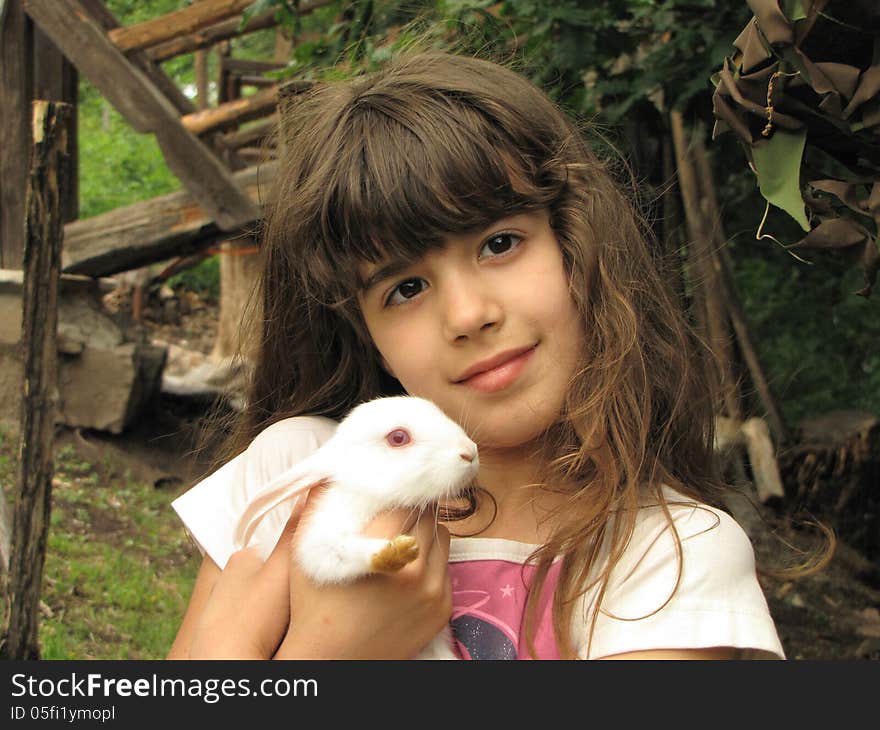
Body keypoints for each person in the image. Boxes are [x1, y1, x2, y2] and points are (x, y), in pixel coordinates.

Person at [166, 49, 820, 660]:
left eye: (501, 243)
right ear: (365, 332)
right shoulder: (300, 477)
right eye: (407, 288)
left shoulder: (671, 560)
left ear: (577, 244)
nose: (469, 315)